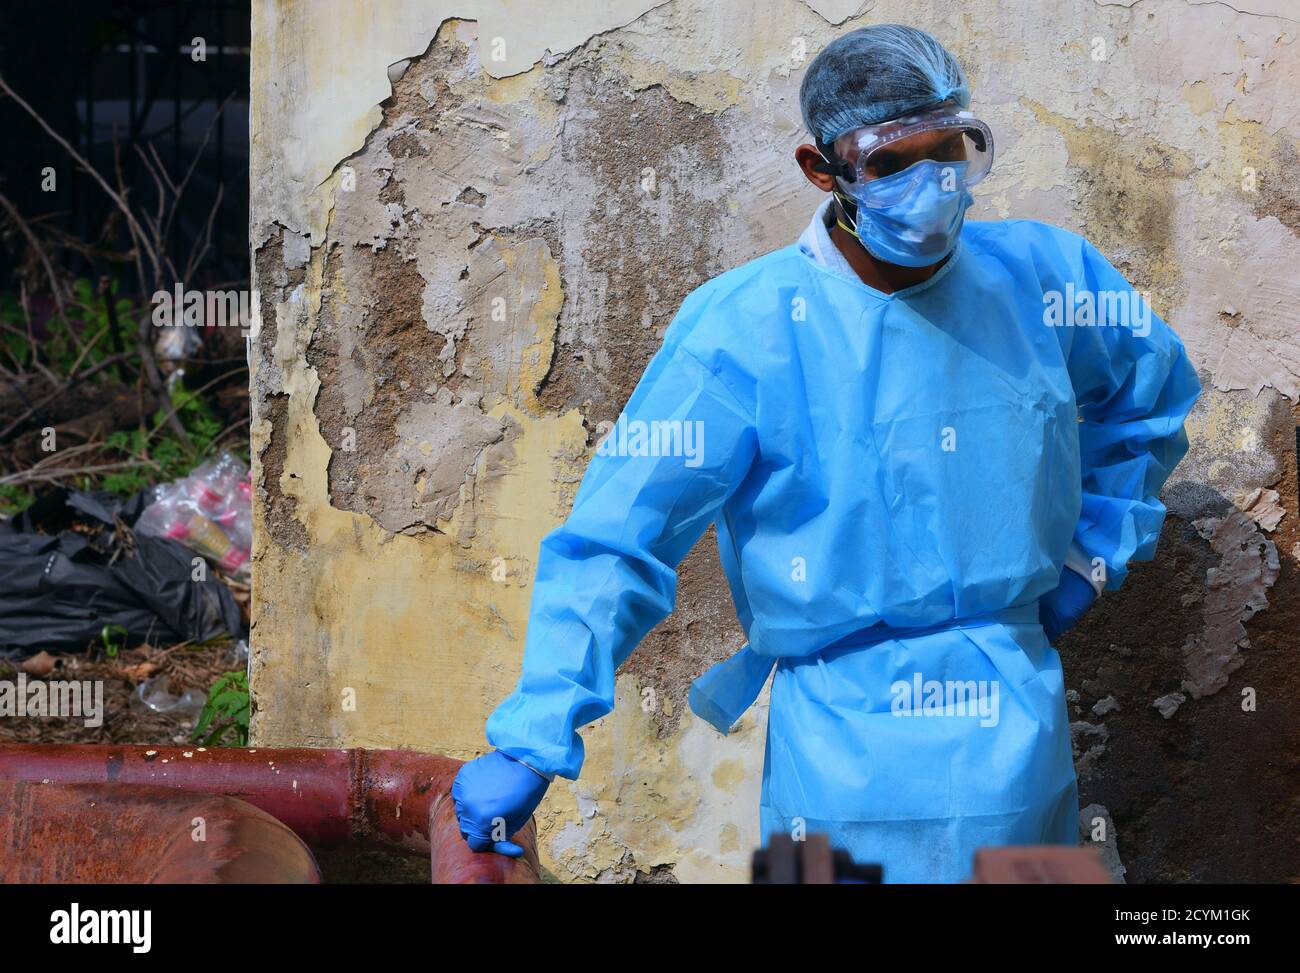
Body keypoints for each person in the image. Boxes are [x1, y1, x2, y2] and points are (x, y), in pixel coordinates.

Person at [452, 23, 1200, 882]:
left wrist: (1089, 555)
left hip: (1013, 725)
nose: (932, 185)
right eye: (891, 163)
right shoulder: (744, 329)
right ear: (823, 170)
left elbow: (1150, 401)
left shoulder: (1044, 279)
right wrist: (535, 736)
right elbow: (622, 536)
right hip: (843, 747)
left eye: (950, 149)